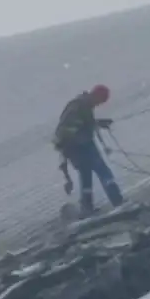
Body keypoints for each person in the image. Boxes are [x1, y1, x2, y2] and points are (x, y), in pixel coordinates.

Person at [52, 84, 124, 218]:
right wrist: (82, 140)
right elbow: (71, 129)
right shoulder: (80, 106)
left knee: (86, 177)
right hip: (80, 147)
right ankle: (118, 202)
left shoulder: (81, 105)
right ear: (96, 96)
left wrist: (98, 124)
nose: (99, 104)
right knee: (104, 172)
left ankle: (87, 208)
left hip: (74, 149)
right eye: (100, 101)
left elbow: (82, 124)